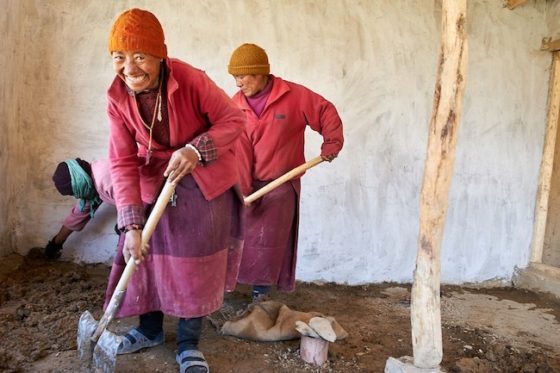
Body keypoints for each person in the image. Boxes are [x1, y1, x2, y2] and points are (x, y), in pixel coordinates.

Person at [104, 8, 245, 373]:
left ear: (160, 56)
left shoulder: (189, 78)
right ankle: (148, 330)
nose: (129, 68)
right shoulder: (116, 96)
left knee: (193, 260)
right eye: (119, 57)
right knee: (140, 255)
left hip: (203, 178)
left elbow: (234, 120)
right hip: (154, 176)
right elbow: (121, 161)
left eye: (140, 57)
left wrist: (196, 150)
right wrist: (131, 225)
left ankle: (187, 344)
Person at [228, 43, 344, 302]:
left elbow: (325, 111)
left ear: (259, 73)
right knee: (238, 236)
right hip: (248, 184)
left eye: (241, 77)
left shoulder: (293, 95)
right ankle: (230, 290)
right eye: (234, 77)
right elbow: (239, 154)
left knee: (269, 241)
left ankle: (261, 295)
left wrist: (332, 142)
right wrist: (243, 192)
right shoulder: (235, 107)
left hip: (281, 184)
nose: (237, 84)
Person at [45, 158, 114, 260]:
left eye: (74, 192)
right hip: (139, 203)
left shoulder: (104, 179)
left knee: (126, 232)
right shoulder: (90, 182)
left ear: (78, 183)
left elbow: (134, 202)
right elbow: (76, 216)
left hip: (144, 199)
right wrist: (55, 244)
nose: (77, 196)